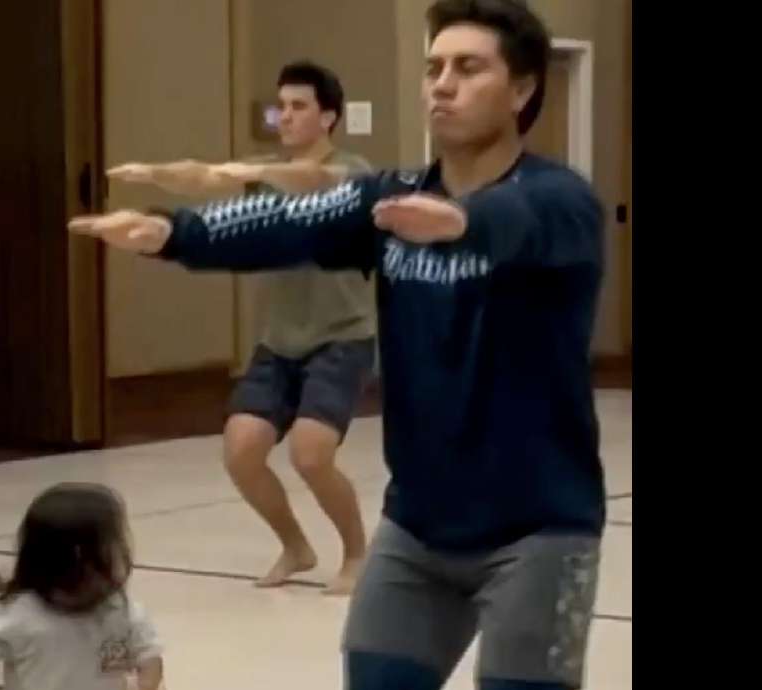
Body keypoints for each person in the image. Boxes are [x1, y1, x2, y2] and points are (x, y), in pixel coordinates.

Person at [69, 1, 605, 688]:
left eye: (469, 68)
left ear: (523, 89)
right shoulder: (390, 198)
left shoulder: (562, 199)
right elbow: (288, 220)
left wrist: (462, 220)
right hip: (418, 528)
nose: (442, 84)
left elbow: (521, 218)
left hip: (539, 531)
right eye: (434, 68)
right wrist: (174, 234)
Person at [107, 61, 376, 596]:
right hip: (280, 340)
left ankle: (357, 554)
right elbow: (205, 175)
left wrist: (243, 174)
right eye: (281, 107)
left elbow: (310, 179)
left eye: (298, 107)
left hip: (341, 336)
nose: (285, 117)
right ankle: (296, 547)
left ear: (328, 117)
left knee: (311, 455)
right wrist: (153, 173)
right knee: (242, 452)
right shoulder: (267, 172)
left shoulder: (353, 173)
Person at [0, 483, 164, 690]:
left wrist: (147, 684)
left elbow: (149, 654)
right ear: (78, 559)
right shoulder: (22, 613)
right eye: (112, 547)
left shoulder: (119, 610)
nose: (120, 554)